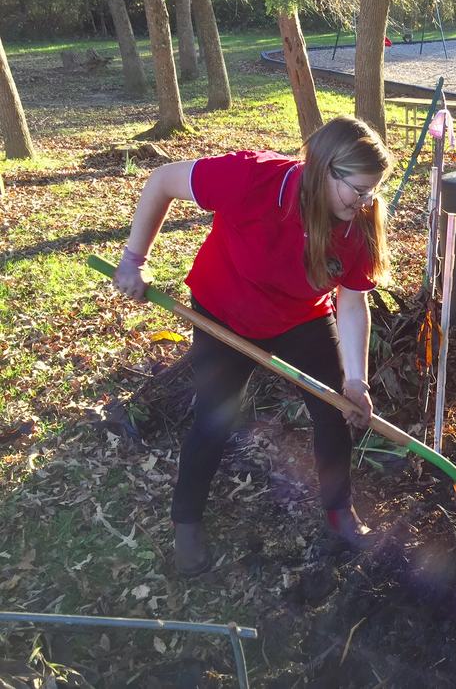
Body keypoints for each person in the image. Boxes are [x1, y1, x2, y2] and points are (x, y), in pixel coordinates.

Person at [113, 116, 395, 575]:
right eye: (358, 190)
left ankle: (340, 514)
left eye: (372, 191)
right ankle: (186, 525)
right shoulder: (251, 178)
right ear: (324, 169)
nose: (366, 202)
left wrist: (356, 379)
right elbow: (162, 181)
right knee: (215, 418)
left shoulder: (357, 225)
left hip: (299, 317)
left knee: (334, 412)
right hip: (224, 310)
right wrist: (133, 259)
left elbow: (351, 301)